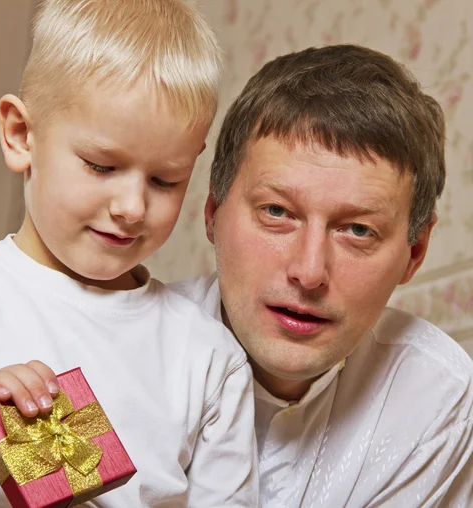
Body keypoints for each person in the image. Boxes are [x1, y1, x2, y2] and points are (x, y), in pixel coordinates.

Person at [0, 1, 258, 506]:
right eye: (101, 166)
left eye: (165, 180)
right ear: (20, 135)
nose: (131, 207)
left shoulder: (209, 359)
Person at [172, 44, 473, 507]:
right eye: (277, 212)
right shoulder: (104, 344)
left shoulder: (439, 400)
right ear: (212, 213)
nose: (309, 272)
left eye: (358, 230)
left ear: (415, 252)